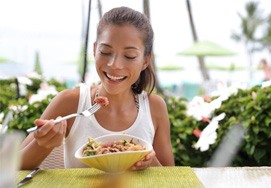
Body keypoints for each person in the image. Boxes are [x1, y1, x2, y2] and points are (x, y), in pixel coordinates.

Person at [20, 7, 175, 170]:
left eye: (129, 56)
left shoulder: (154, 107)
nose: (114, 64)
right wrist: (43, 145)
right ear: (95, 50)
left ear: (145, 60)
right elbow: (13, 169)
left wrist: (150, 161)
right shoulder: (70, 103)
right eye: (105, 52)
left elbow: (170, 176)